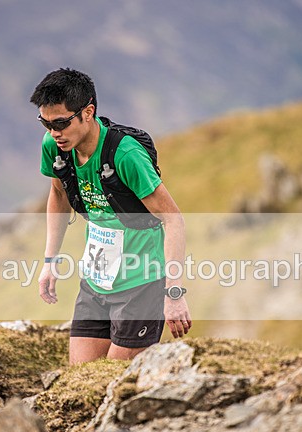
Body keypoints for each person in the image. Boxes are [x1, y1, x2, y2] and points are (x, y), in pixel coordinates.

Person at [29, 68, 191, 364]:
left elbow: (173, 220)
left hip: (140, 283)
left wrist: (174, 294)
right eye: (46, 123)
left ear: (88, 112)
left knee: (113, 381)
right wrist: (49, 262)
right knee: (80, 379)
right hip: (96, 280)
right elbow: (58, 194)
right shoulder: (55, 147)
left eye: (61, 123)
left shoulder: (125, 155)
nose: (54, 133)